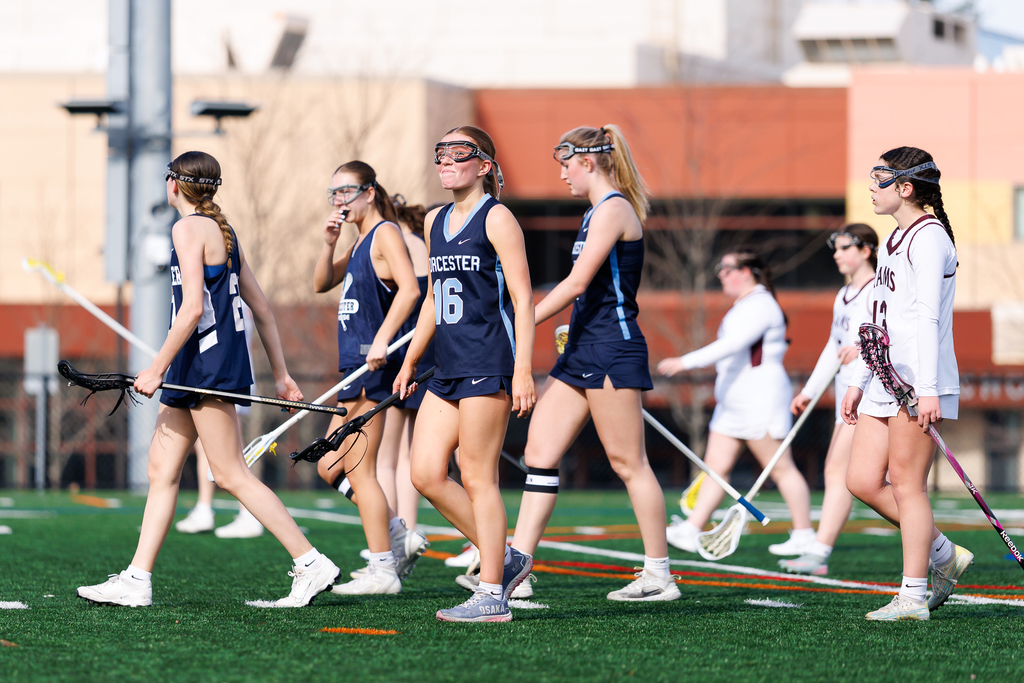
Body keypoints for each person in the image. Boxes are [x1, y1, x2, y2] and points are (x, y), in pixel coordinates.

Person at [77, 151, 339, 607]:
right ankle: (137, 579)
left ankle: (311, 562)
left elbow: (193, 309)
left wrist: (156, 368)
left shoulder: (186, 229)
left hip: (205, 366)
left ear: (173, 185)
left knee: (230, 473)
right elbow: (262, 308)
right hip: (196, 365)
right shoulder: (223, 231)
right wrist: (281, 375)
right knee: (161, 469)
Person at [490, 124, 679, 602]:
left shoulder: (614, 209)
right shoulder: (595, 212)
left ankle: (659, 575)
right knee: (539, 452)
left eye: (566, 166)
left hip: (613, 348)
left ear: (588, 162)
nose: (562, 176)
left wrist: (521, 320)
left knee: (628, 462)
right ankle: (517, 570)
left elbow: (576, 283)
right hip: (581, 350)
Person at [395, 125, 536, 622]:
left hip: (488, 360)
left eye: (460, 153)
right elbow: (433, 298)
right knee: (425, 473)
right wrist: (411, 358)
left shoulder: (497, 217)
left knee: (477, 475)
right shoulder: (434, 220)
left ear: (484, 165)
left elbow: (522, 299)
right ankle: (507, 558)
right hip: (447, 364)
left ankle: (492, 592)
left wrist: (523, 370)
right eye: (441, 153)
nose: (447, 161)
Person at [841, 147, 972, 621]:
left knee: (907, 486)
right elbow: (880, 319)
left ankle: (913, 597)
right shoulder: (893, 239)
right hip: (885, 378)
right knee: (860, 480)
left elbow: (926, 319)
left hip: (918, 381)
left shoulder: (929, 237)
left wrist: (929, 388)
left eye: (879, 179)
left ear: (906, 187)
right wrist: (859, 379)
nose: (871, 188)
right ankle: (944, 554)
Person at [312, 161, 422, 596]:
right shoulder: (359, 240)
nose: (340, 200)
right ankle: (396, 533)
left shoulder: (385, 233)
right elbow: (321, 282)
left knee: (360, 469)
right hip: (353, 368)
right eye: (334, 193)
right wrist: (328, 244)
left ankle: (383, 569)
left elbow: (412, 290)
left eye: (347, 191)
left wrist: (381, 339)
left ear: (370, 192)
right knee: (328, 464)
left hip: (373, 366)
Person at [658, 252, 815, 555]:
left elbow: (733, 344)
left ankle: (804, 533)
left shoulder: (761, 304)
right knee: (715, 468)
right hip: (734, 401)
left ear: (746, 272)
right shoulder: (744, 305)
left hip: (760, 398)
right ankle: (692, 529)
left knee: (780, 468)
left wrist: (685, 362)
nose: (721, 275)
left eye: (727, 269)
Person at [778, 224, 877, 575]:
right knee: (851, 475)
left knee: (845, 472)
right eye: (836, 248)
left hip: (870, 393)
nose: (837, 254)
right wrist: (809, 390)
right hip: (845, 395)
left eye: (845, 247)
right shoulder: (843, 294)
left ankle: (819, 553)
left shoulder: (878, 289)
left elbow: (889, 334)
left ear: (866, 250)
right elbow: (833, 347)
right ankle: (819, 552)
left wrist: (864, 346)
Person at [176, 302, 264, 539]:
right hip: (225, 375)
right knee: (208, 446)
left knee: (231, 453)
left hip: (220, 377)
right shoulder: (235, 298)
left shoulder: (220, 296)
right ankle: (205, 508)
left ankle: (249, 513)